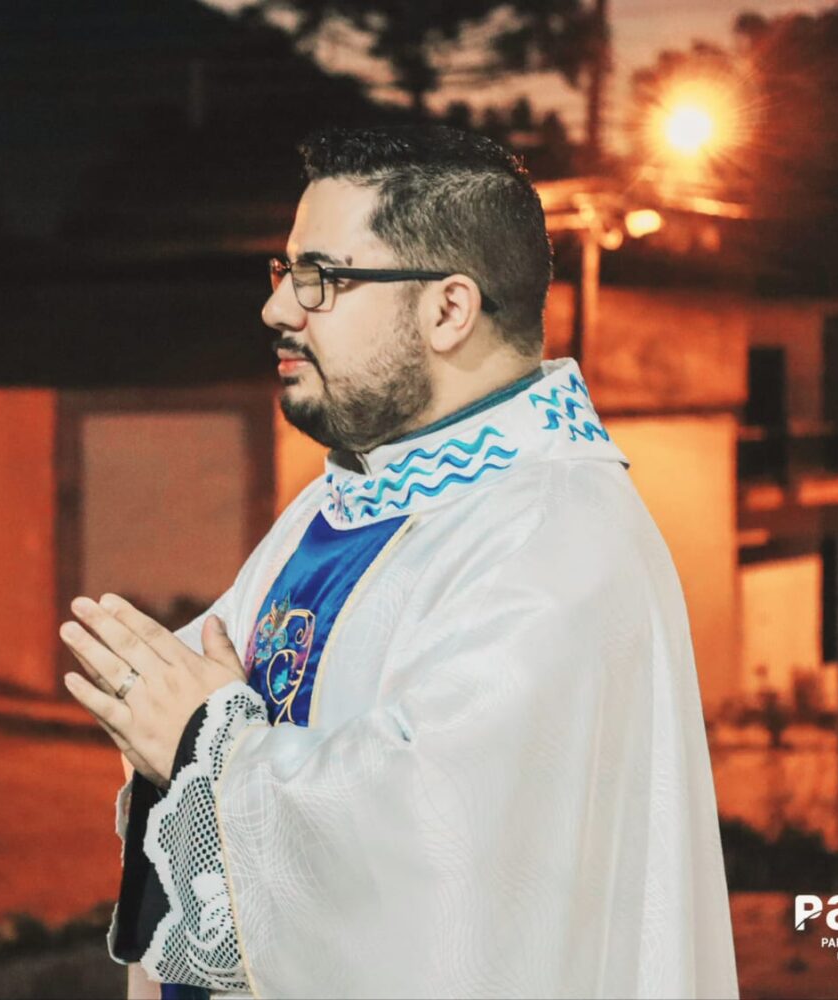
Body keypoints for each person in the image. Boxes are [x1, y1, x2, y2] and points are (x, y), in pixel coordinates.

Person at [60, 124, 738, 1000]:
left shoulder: (557, 540)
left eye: (321, 280)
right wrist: (168, 724)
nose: (277, 310)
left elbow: (435, 876)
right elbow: (203, 702)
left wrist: (206, 744)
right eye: (284, 274)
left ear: (449, 309)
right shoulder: (349, 496)